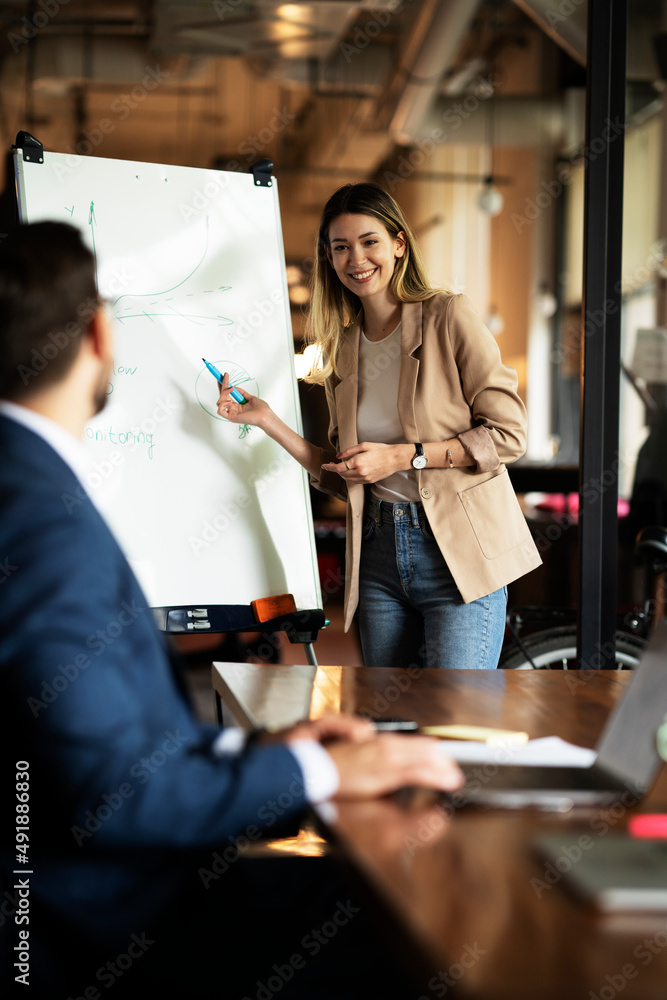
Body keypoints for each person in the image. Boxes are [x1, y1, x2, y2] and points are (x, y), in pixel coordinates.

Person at [0, 221, 463, 998]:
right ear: (96, 332)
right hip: (100, 927)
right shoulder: (41, 522)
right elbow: (116, 797)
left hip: (94, 893)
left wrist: (267, 753)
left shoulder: (31, 487)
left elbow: (91, 744)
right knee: (418, 926)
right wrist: (314, 768)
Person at [218, 182, 542, 669]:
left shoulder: (447, 317)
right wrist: (267, 422)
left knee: (452, 719)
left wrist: (403, 455)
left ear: (398, 244)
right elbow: (340, 473)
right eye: (341, 247)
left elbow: (509, 433)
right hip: (377, 555)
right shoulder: (342, 348)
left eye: (369, 241)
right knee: (389, 722)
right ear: (328, 259)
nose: (356, 259)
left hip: (458, 552)